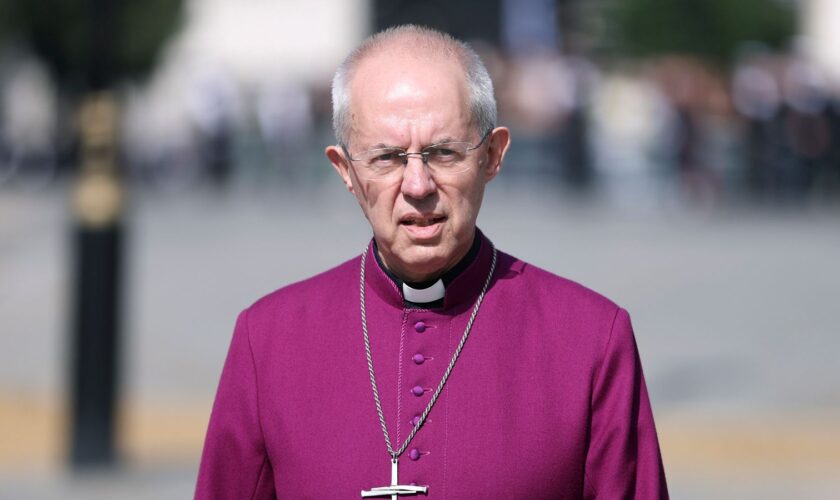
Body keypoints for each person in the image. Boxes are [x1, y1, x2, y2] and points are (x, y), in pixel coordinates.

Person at [196, 25, 668, 499]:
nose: (418, 185)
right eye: (387, 157)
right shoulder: (269, 339)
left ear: (492, 156)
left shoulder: (590, 339)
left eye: (443, 153)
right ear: (345, 171)